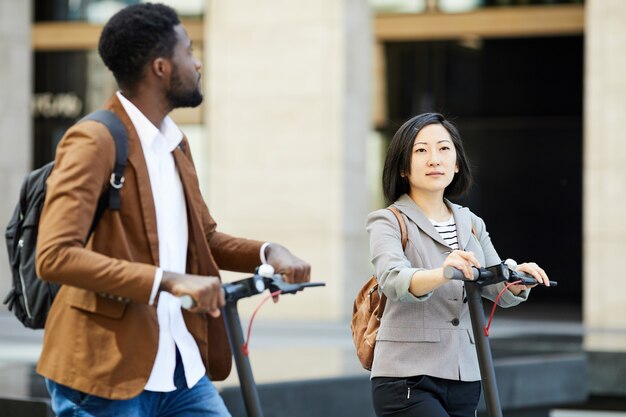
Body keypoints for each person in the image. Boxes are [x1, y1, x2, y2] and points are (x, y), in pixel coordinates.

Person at [35, 3, 310, 416]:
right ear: (161, 68)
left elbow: (205, 238)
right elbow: (55, 256)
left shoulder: (174, 143)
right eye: (189, 51)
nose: (197, 63)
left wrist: (267, 252)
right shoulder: (94, 140)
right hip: (105, 372)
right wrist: (168, 281)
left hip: (179, 367)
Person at [366, 113, 550, 417]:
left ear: (456, 164)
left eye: (443, 149)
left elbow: (497, 290)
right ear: (402, 167)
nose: (434, 159)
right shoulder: (388, 220)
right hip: (406, 377)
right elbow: (393, 279)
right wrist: (443, 272)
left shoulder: (472, 223)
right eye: (421, 150)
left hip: (465, 376)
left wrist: (519, 277)